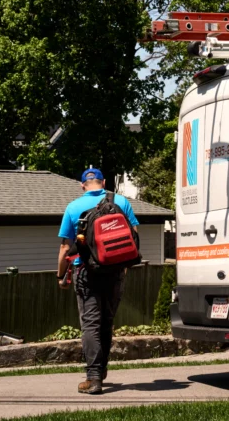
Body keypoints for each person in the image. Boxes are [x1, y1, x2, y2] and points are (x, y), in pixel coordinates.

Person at [57, 168, 139, 394]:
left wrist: (60, 276)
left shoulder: (73, 207)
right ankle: (100, 370)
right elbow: (132, 236)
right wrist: (123, 267)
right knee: (106, 322)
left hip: (86, 273)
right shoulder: (121, 201)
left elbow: (65, 247)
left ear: (82, 185)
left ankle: (93, 378)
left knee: (90, 324)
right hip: (115, 272)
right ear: (103, 182)